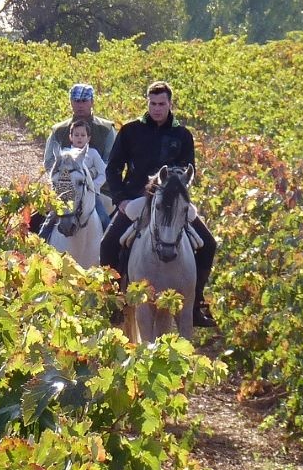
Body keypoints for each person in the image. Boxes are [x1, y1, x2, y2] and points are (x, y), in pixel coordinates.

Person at [99, 80, 217, 327]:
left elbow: (189, 170)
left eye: (161, 104)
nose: (156, 109)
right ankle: (112, 302)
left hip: (171, 202)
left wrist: (175, 189)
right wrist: (120, 199)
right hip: (137, 199)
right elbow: (113, 168)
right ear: (147, 103)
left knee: (208, 244)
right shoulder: (130, 131)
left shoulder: (182, 135)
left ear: (170, 104)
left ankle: (195, 303)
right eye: (152, 104)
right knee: (107, 243)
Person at [32, 83, 115, 238]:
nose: (80, 105)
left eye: (84, 101)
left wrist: (89, 176)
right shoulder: (59, 130)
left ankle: (110, 250)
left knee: (107, 223)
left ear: (92, 101)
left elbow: (111, 161)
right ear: (70, 102)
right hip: (63, 190)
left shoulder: (106, 129)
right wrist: (64, 179)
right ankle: (36, 248)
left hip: (99, 190)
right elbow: (49, 161)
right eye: (76, 101)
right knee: (37, 221)